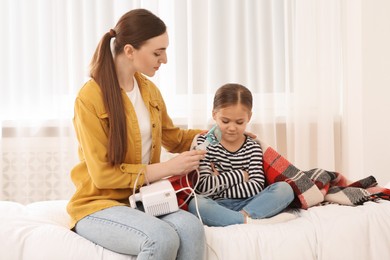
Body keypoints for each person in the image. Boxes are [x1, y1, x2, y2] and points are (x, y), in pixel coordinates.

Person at [66, 9, 207, 260]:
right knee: (160, 238)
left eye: (164, 51)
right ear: (129, 50)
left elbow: (173, 138)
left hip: (142, 199)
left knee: (191, 228)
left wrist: (219, 133)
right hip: (98, 205)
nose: (164, 59)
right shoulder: (89, 98)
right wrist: (167, 168)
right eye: (157, 52)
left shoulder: (149, 91)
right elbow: (102, 175)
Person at [188, 83, 295, 227]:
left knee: (284, 189)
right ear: (214, 115)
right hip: (217, 206)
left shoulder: (252, 146)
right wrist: (241, 175)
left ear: (249, 117)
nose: (232, 128)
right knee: (196, 203)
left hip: (251, 203)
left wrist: (220, 182)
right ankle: (248, 221)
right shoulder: (204, 143)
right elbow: (204, 188)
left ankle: (242, 217)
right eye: (225, 121)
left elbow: (256, 187)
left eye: (239, 122)